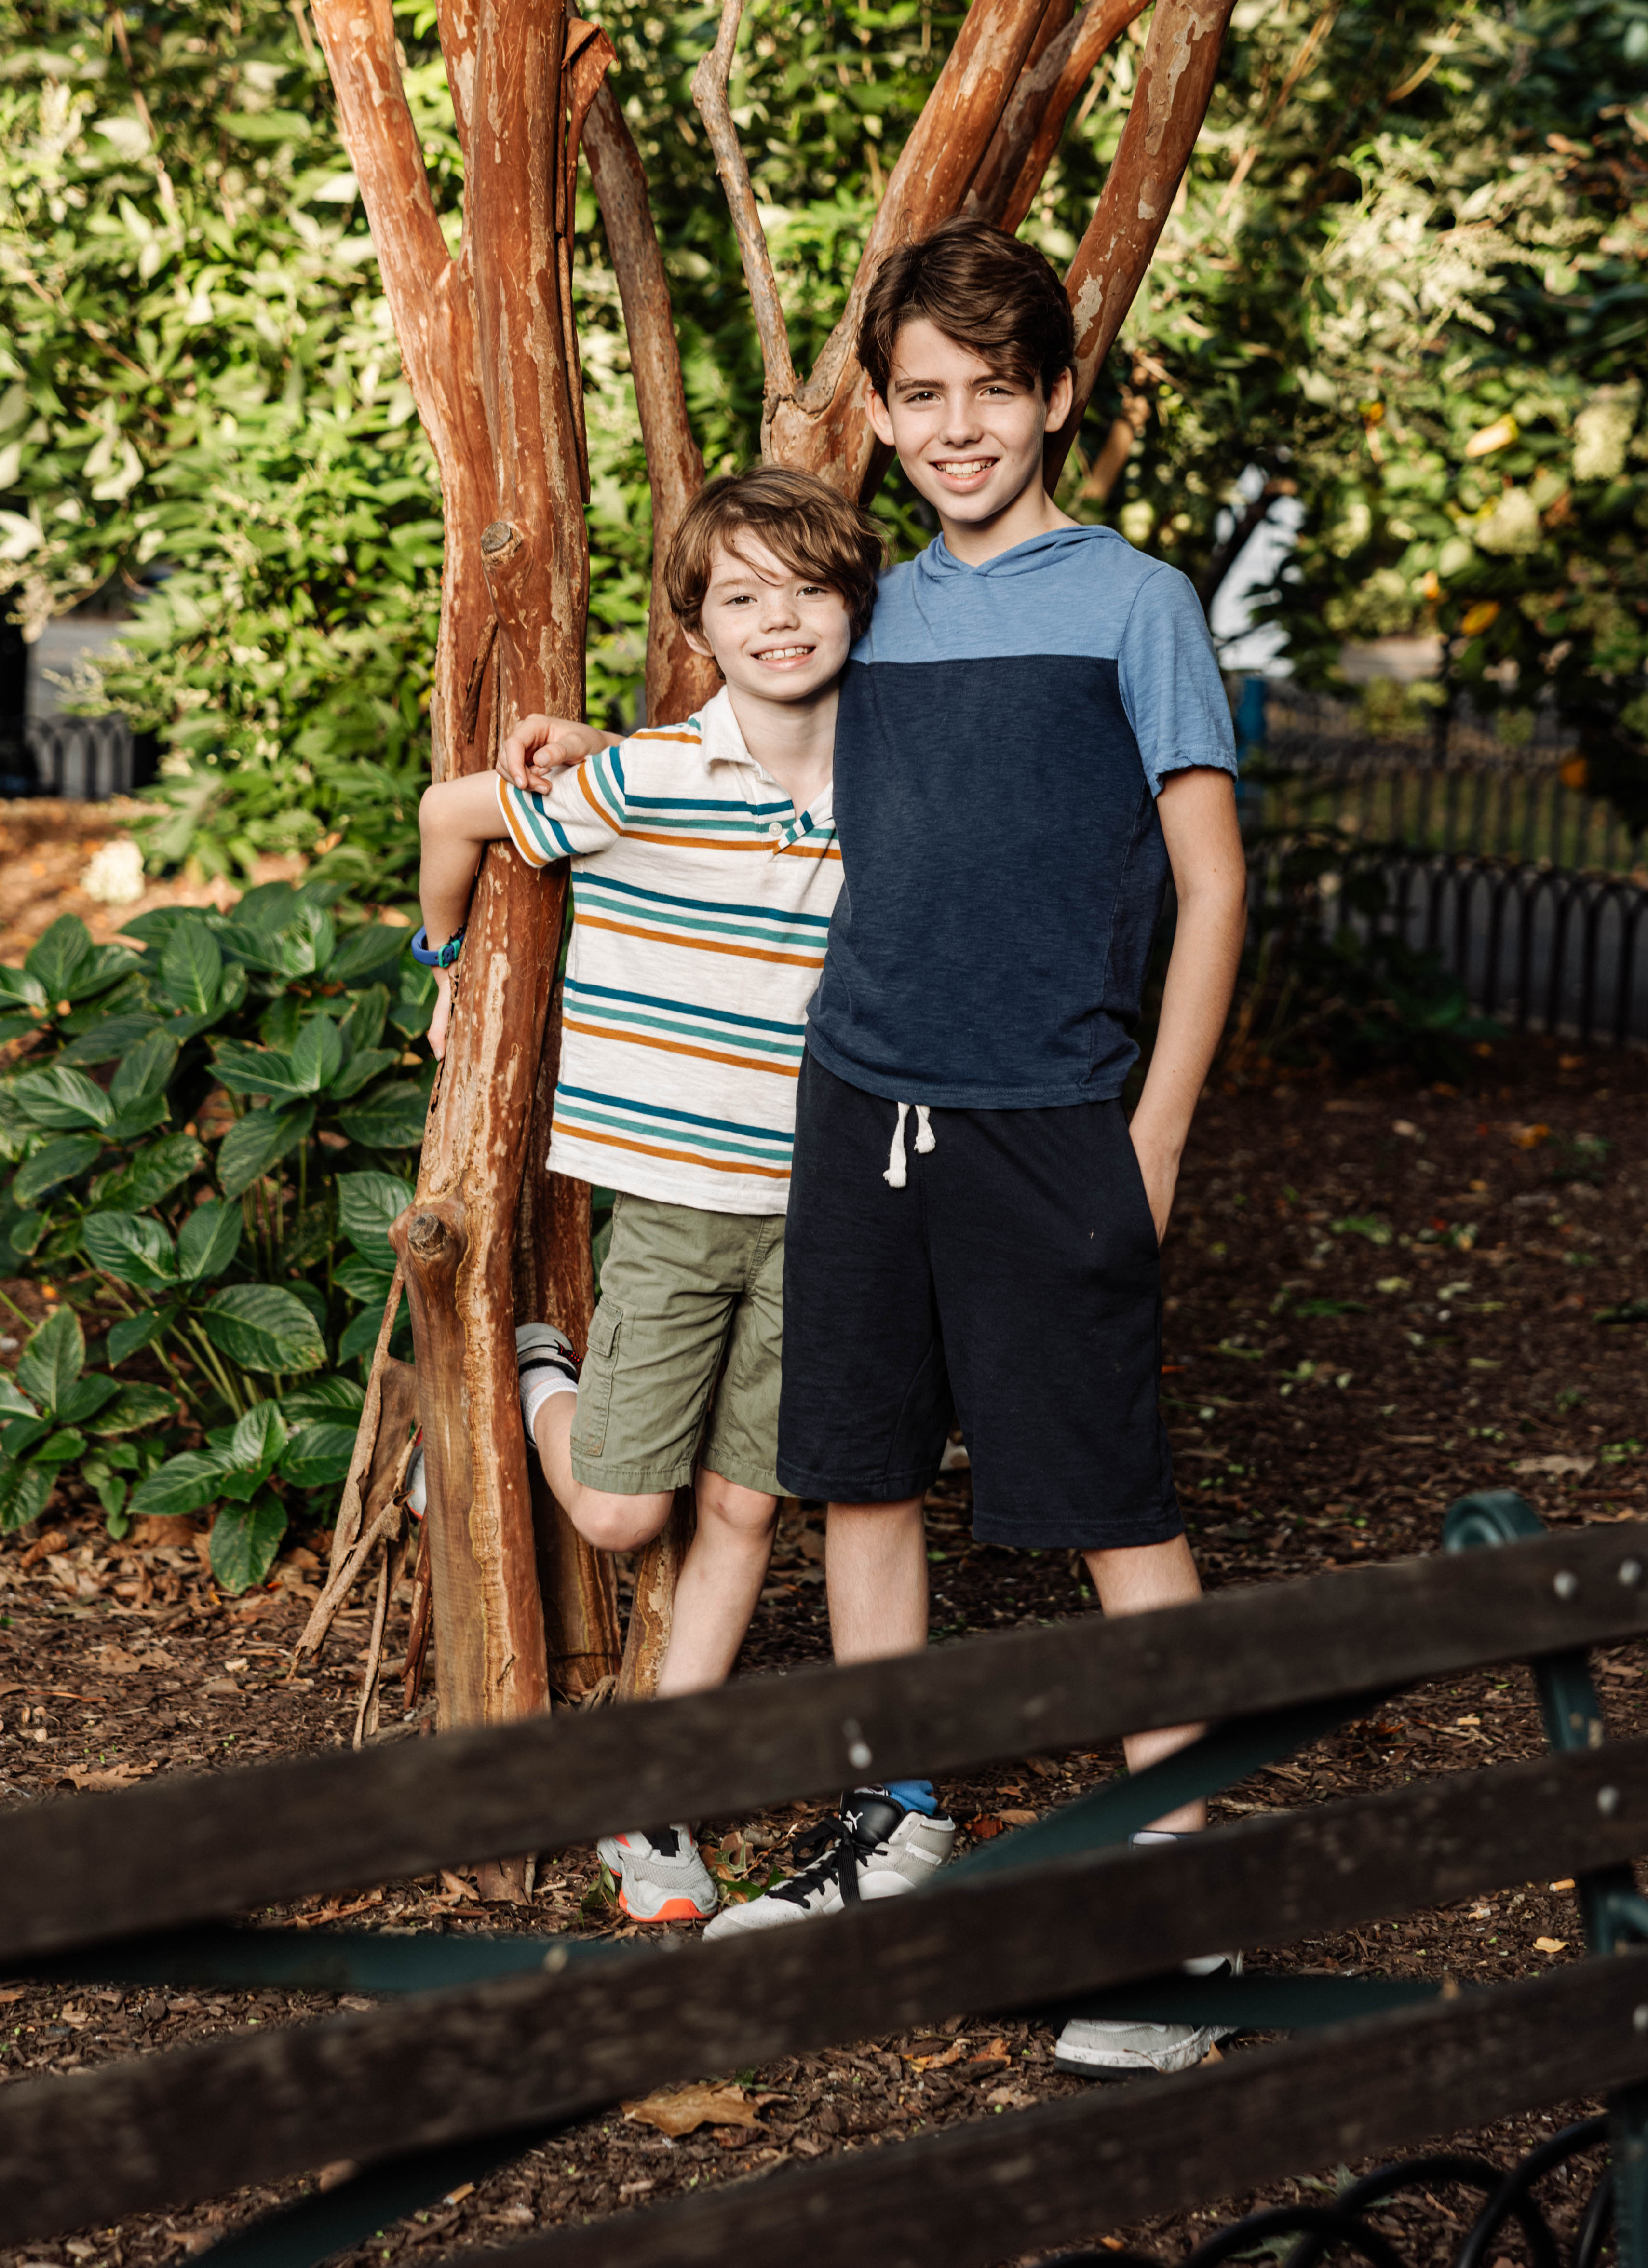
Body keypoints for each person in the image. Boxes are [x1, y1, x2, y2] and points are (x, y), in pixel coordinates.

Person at [700, 221, 1248, 2083]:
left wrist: (1152, 1135)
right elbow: (743, 728)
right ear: (887, 408)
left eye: (988, 393)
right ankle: (893, 1822)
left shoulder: (1136, 604)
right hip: (861, 1101)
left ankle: (1176, 1907)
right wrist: (541, 761)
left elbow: (1211, 882)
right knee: (861, 1480)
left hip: (1054, 1123)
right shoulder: (873, 605)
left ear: (1056, 400)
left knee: (1110, 1509)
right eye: (919, 396)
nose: (953, 429)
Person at [414, 467, 954, 1927]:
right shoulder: (643, 781)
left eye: (809, 588)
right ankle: (541, 1372)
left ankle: (651, 1808)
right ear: (699, 627)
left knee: (744, 1504)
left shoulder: (892, 793)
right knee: (621, 1514)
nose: (780, 619)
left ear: (859, 603)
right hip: (668, 1204)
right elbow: (451, 810)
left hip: (823, 1211)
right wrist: (446, 962)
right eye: (741, 597)